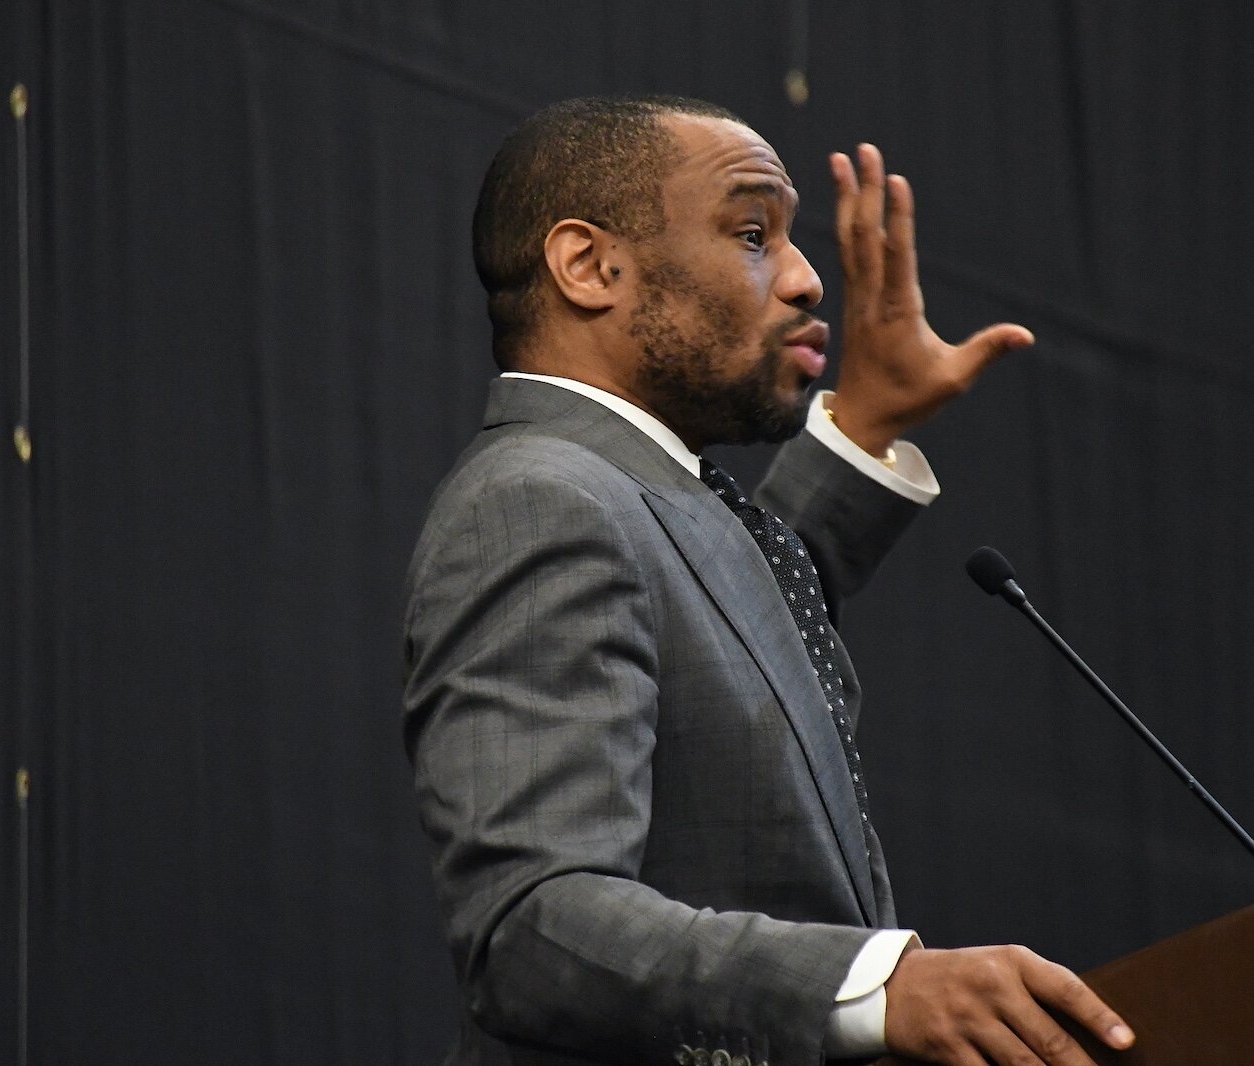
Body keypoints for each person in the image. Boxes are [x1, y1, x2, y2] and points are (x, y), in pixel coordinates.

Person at [402, 95, 1133, 1065]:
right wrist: (880, 985)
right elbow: (533, 926)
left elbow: (735, 632)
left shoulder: (625, 499)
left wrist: (863, 424)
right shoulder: (541, 501)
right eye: (753, 233)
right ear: (589, 266)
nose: (803, 279)